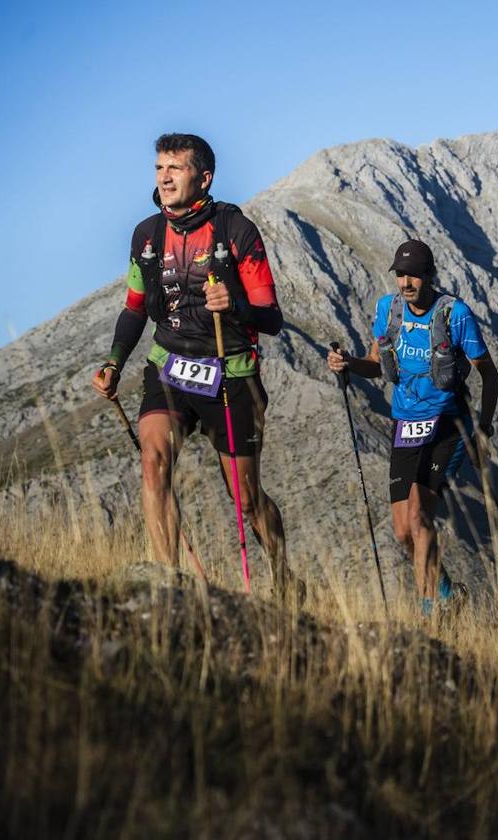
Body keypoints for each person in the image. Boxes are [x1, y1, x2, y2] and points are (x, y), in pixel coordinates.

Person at [91, 133, 302, 601]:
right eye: (159, 168)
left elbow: (272, 318)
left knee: (246, 499)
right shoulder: (146, 236)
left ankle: (284, 576)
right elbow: (134, 308)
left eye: (175, 168)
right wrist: (114, 362)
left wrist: (236, 306)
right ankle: (167, 589)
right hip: (168, 365)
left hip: (230, 370)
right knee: (153, 460)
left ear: (203, 177)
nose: (164, 177)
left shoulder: (236, 231)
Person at [327, 239, 498, 616]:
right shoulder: (388, 311)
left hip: (447, 425)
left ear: (429, 275)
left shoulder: (456, 314)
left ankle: (429, 611)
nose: (406, 283)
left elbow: (489, 373)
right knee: (403, 531)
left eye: (414, 275)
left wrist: (482, 429)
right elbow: (377, 363)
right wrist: (349, 364)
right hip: (405, 425)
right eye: (401, 275)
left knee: (420, 515)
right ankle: (448, 595)